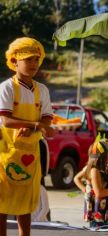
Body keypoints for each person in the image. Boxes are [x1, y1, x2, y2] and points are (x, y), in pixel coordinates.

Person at [0, 37, 54, 236]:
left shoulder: (42, 90)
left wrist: (36, 128)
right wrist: (34, 124)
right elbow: (5, 121)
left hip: (30, 154)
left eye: (36, 60)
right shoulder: (7, 88)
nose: (33, 64)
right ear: (14, 62)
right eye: (28, 60)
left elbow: (47, 118)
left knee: (26, 206)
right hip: (5, 155)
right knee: (2, 204)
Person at [74, 138, 108, 229]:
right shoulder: (95, 170)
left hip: (104, 213)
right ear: (103, 155)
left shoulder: (103, 169)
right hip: (98, 216)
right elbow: (99, 193)